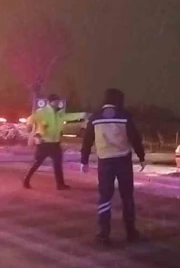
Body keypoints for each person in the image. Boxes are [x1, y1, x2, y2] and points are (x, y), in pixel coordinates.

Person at [80, 88, 145, 245]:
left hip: (105, 161)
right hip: (123, 160)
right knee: (127, 196)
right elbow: (135, 137)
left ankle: (104, 233)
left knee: (105, 197)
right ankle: (130, 231)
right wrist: (141, 157)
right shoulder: (124, 116)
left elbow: (87, 140)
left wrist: (84, 160)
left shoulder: (95, 117)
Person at [23, 93, 86, 190]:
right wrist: (29, 126)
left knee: (58, 164)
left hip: (55, 143)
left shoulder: (59, 113)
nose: (57, 103)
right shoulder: (42, 111)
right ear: (50, 102)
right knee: (37, 163)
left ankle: (60, 184)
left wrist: (83, 114)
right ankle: (26, 180)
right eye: (55, 101)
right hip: (44, 143)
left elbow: (69, 116)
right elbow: (31, 118)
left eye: (58, 101)